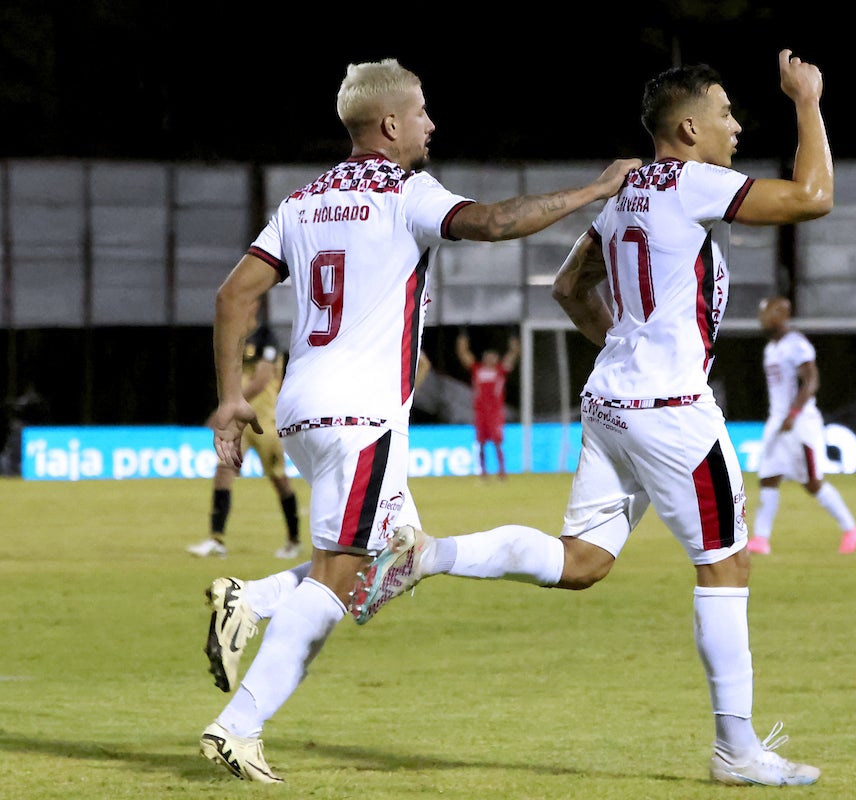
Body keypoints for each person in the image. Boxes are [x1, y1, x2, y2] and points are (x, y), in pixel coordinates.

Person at [351, 50, 834, 786]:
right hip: (672, 408)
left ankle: (429, 554)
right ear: (687, 126)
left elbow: (571, 285)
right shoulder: (693, 181)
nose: (736, 125)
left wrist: (624, 347)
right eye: (726, 113)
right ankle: (735, 750)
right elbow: (814, 197)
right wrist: (807, 101)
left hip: (611, 403)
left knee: (582, 563)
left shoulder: (627, 196)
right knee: (726, 564)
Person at [196, 56, 640, 783]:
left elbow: (231, 297)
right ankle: (237, 726)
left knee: (396, 556)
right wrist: (594, 190)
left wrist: (231, 396)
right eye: (424, 112)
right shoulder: (405, 192)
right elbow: (495, 221)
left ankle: (251, 600)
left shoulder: (302, 201)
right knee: (340, 578)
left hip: (307, 410)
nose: (431, 124)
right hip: (361, 414)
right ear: (391, 124)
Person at [748, 296, 856, 556]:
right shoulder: (771, 348)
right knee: (768, 477)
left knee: (812, 482)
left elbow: (811, 381)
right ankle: (760, 539)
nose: (763, 319)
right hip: (778, 421)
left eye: (767, 313)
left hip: (800, 424)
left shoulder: (796, 344)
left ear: (781, 315)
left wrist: (794, 412)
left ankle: (851, 529)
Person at [188, 299, 302, 559]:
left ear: (253, 307)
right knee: (224, 471)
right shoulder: (236, 337)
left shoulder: (266, 338)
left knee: (279, 479)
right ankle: (216, 540)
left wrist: (230, 404)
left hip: (263, 422)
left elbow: (262, 380)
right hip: (240, 423)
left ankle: (293, 540)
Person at [456, 329, 520, 478]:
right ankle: (483, 471)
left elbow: (513, 354)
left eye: (493, 356)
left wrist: (514, 338)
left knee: (497, 442)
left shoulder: (500, 370)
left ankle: (502, 470)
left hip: (495, 413)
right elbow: (463, 354)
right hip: (480, 412)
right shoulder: (477, 369)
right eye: (488, 356)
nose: (490, 358)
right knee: (481, 443)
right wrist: (463, 336)